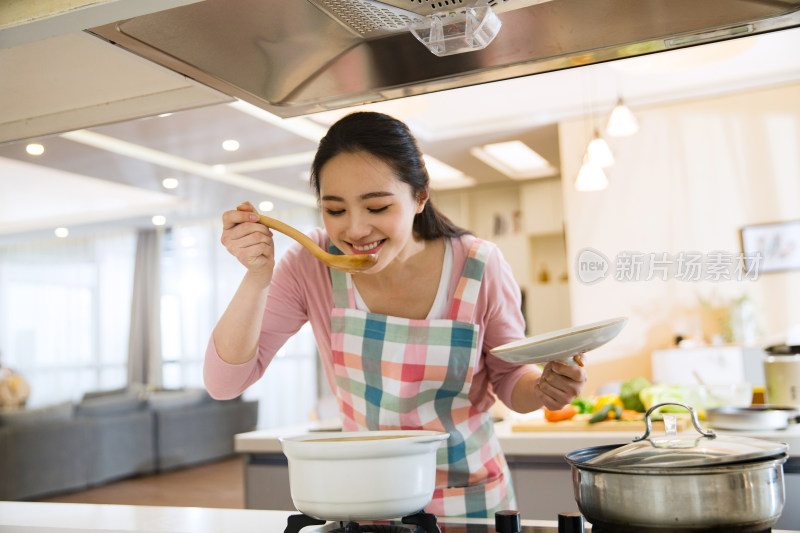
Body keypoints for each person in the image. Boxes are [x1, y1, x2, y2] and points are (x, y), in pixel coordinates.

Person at [204, 111, 587, 518]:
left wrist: (544, 389)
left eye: (377, 206)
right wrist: (257, 277)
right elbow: (225, 382)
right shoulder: (311, 266)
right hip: (369, 502)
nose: (355, 230)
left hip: (469, 501)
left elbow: (510, 379)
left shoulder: (478, 266)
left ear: (420, 196)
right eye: (335, 211)